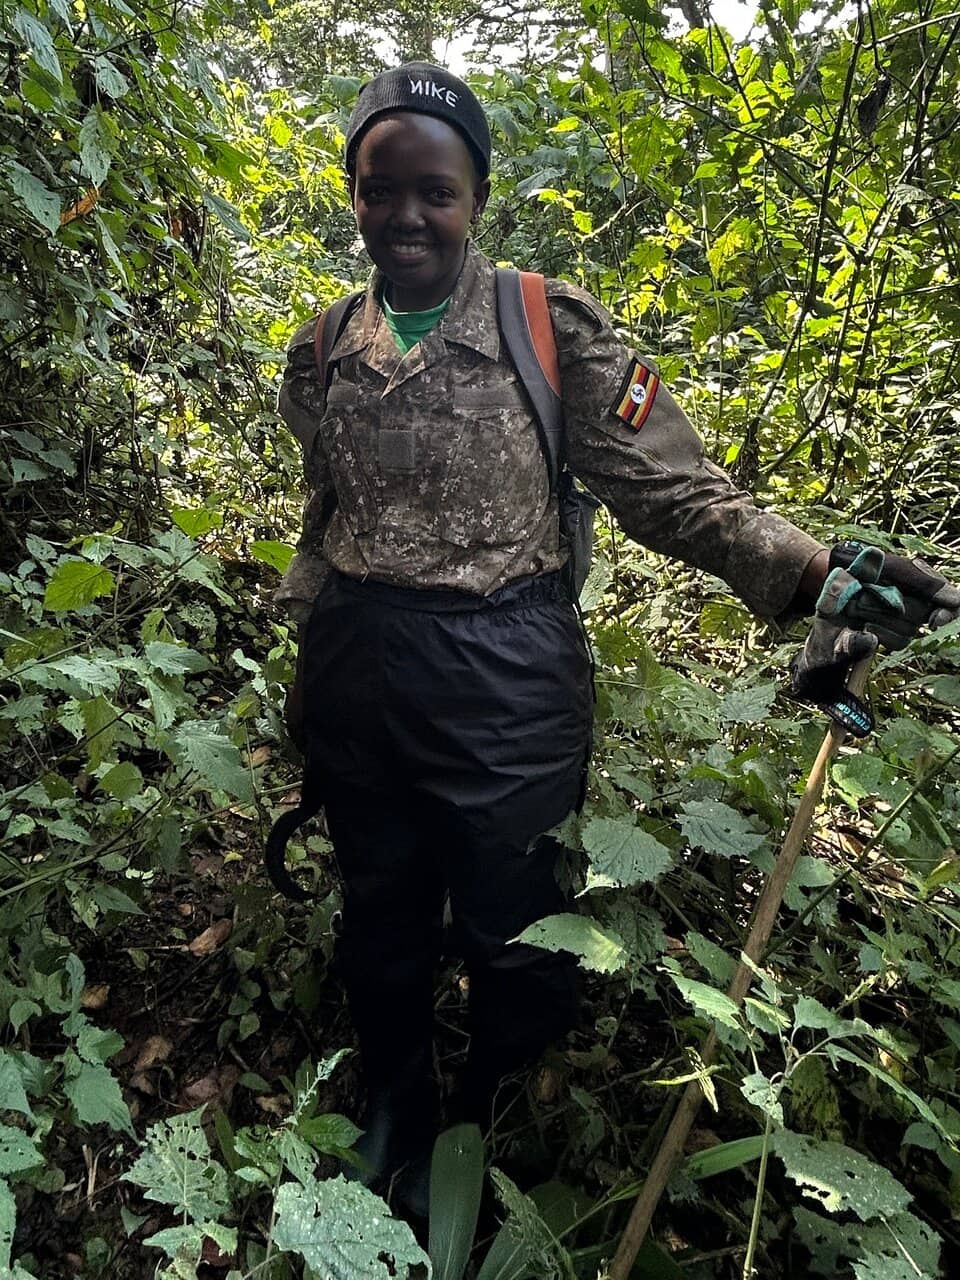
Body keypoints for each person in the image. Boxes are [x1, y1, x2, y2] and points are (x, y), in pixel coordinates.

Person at [274, 62, 960, 1212]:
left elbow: (677, 495)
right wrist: (308, 630)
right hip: (360, 667)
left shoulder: (549, 328)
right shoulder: (325, 342)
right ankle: (394, 1101)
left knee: (515, 923)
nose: (406, 217)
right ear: (352, 193)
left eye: (434, 193)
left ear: (475, 199)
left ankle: (491, 1120)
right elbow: (328, 502)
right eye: (380, 189)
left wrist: (817, 574)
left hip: (507, 675)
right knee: (377, 900)